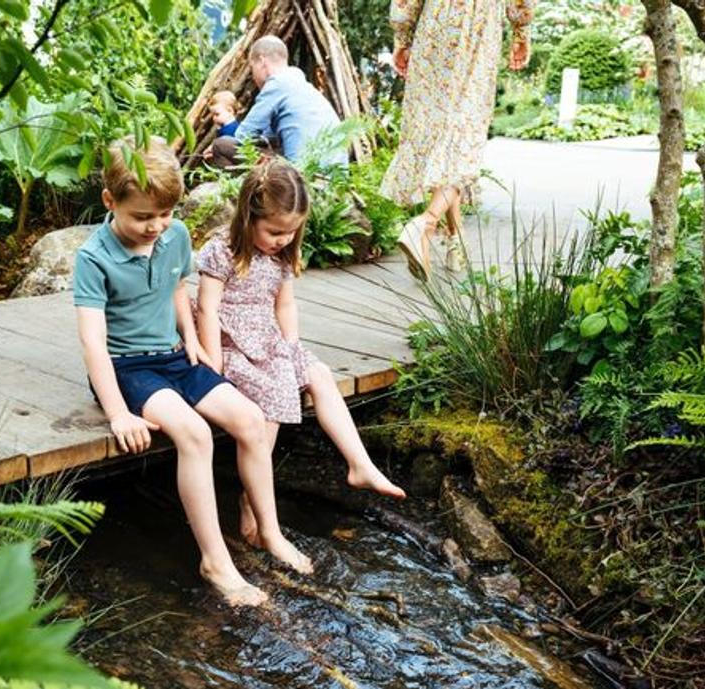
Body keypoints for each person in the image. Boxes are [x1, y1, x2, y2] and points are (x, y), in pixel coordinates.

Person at [73, 137, 312, 608]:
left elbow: (179, 290)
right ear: (110, 201)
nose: (155, 227)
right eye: (143, 217)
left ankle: (269, 531)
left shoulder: (174, 235)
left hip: (176, 356)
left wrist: (197, 341)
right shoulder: (93, 258)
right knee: (195, 435)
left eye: (164, 215)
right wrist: (120, 413)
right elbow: (92, 342)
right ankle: (216, 561)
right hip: (127, 369)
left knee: (248, 420)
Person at [196, 158, 406, 547]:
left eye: (291, 232)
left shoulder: (279, 255)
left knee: (320, 375)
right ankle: (251, 502)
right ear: (248, 216)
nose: (283, 240)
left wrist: (291, 348)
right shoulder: (221, 251)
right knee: (273, 401)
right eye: (275, 231)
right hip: (232, 343)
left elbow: (285, 306)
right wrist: (212, 365)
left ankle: (359, 464)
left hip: (270, 339)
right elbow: (207, 308)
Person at [383, 0, 535, 281]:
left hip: (436, 26)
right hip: (479, 32)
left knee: (443, 135)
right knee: (464, 139)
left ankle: (456, 242)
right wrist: (520, 32)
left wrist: (403, 37)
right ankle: (425, 225)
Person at [209, 35, 347, 168]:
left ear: (262, 61)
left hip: (302, 176)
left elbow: (243, 136)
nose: (253, 76)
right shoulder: (299, 83)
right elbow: (269, 137)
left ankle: (242, 190)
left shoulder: (276, 84)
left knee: (221, 146)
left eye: (252, 68)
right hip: (333, 175)